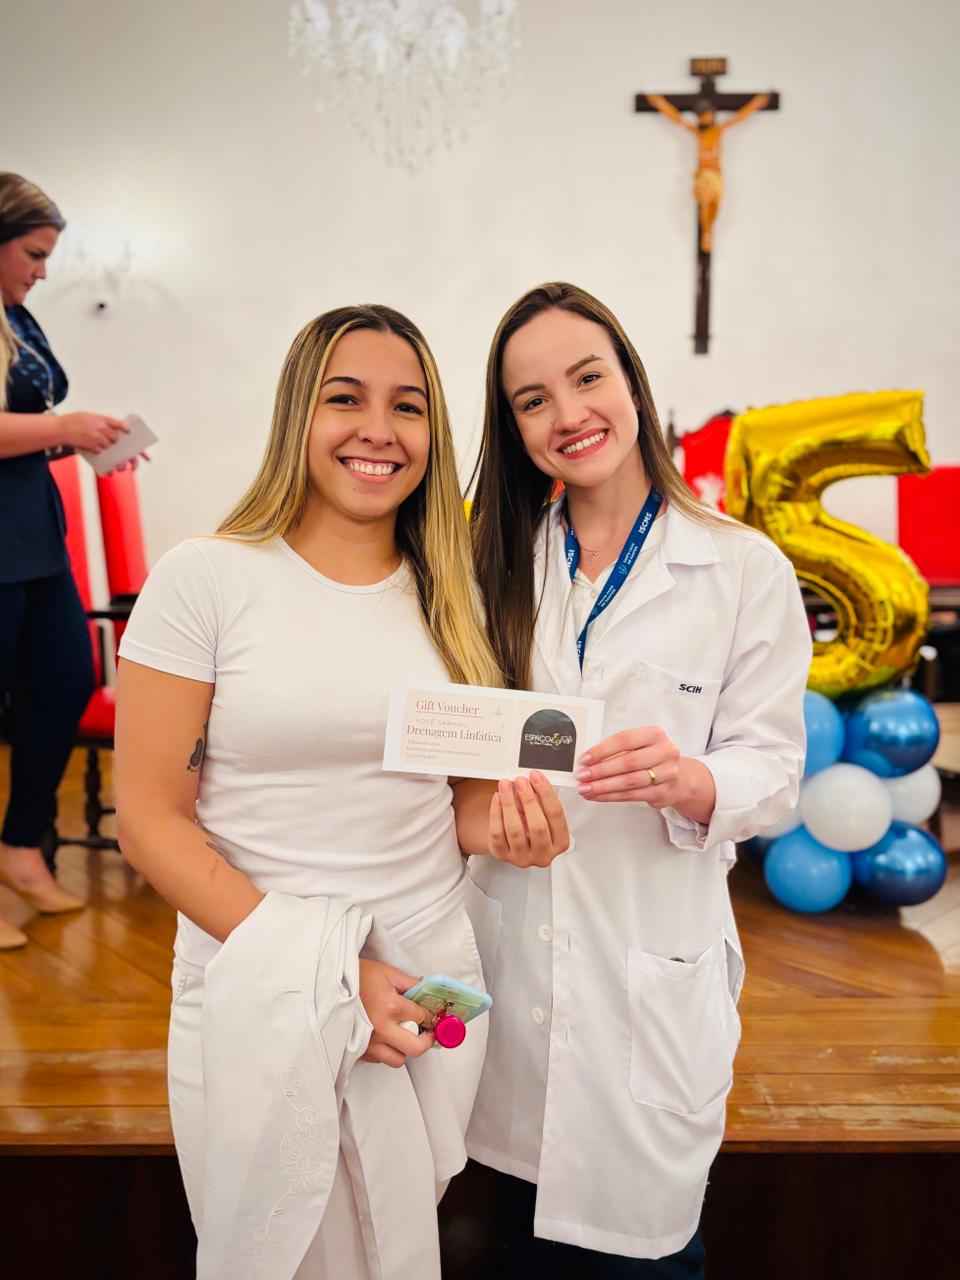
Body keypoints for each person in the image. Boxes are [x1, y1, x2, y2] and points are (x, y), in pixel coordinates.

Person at [114, 304, 570, 1279]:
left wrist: (514, 828)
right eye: (346, 399)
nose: (379, 429)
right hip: (260, 978)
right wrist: (331, 976)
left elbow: (460, 803)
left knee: (399, 1239)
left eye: (408, 406)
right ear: (298, 415)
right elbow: (150, 822)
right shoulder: (207, 579)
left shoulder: (458, 591)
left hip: (426, 981)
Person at [465, 282, 810, 1277]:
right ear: (514, 427)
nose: (569, 414)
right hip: (513, 979)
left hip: (649, 981)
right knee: (512, 1238)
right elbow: (459, 748)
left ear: (632, 382)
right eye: (533, 400)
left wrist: (690, 778)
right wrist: (484, 810)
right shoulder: (493, 564)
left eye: (588, 378)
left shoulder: (740, 567)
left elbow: (775, 768)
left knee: (645, 1255)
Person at [0, 173, 131, 950]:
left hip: (33, 537)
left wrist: (85, 441)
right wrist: (64, 428)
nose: (43, 271)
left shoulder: (17, 316)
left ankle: (21, 846)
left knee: (66, 679)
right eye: (34, 254)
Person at [645, 92, 771, 252]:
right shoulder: (697, 131)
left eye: (708, 114)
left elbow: (739, 117)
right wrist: (661, 104)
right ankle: (706, 234)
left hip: (716, 175)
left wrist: (756, 104)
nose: (706, 117)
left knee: (714, 206)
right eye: (703, 115)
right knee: (704, 198)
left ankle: (708, 232)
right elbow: (677, 119)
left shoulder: (719, 130)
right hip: (703, 175)